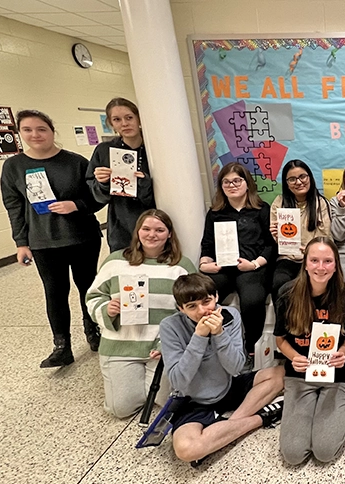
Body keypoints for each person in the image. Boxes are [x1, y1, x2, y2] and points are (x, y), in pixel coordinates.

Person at [0, 109, 104, 368]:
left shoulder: (75, 162)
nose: (35, 134)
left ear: (52, 131)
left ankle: (93, 332)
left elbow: (98, 198)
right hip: (44, 241)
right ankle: (62, 346)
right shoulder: (13, 166)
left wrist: (76, 205)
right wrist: (20, 242)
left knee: (87, 287)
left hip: (82, 237)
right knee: (55, 293)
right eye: (27, 130)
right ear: (20, 133)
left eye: (41, 129)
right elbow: (14, 206)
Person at [159, 273, 285, 465]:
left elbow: (236, 367)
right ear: (181, 309)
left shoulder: (230, 315)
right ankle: (261, 418)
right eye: (192, 307)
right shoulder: (170, 326)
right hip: (194, 399)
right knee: (186, 449)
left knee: (280, 373)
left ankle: (226, 428)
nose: (202, 311)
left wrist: (219, 334)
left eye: (206, 302)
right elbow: (178, 381)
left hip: (228, 385)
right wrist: (199, 337)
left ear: (216, 297)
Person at [86, 209, 196, 418]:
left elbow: (192, 311)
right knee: (121, 409)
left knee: (164, 401)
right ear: (138, 231)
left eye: (159, 230)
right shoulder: (115, 261)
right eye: (146, 229)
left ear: (169, 234)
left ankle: (148, 384)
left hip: (160, 347)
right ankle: (137, 384)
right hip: (121, 346)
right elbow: (93, 297)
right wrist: (107, 309)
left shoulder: (181, 266)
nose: (151, 234)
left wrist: (170, 344)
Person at [275, 238, 345, 465]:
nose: (320, 267)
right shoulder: (287, 294)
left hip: (338, 376)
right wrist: (294, 357)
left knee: (324, 451)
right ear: (305, 263)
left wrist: (342, 351)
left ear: (336, 264)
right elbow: (280, 340)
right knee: (292, 455)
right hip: (300, 374)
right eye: (314, 260)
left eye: (327, 261)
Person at [199, 162, 276, 368]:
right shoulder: (215, 213)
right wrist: (205, 263)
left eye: (237, 180)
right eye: (226, 182)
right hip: (222, 268)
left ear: (247, 183)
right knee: (203, 294)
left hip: (252, 267)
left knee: (251, 300)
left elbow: (271, 245)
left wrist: (254, 264)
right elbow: (207, 244)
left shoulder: (261, 209)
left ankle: (250, 349)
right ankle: (205, 344)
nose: (232, 185)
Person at [87, 98, 156, 252]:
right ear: (111, 124)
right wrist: (102, 183)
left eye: (129, 117)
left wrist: (145, 183)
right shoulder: (104, 151)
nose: (124, 123)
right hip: (121, 224)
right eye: (117, 119)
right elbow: (96, 194)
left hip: (154, 219)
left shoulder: (155, 148)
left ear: (139, 118)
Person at [270, 159, 331, 301]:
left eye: (302, 177)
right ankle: (283, 323)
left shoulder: (321, 204)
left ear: (309, 177)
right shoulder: (279, 203)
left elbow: (326, 237)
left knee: (315, 285)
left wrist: (310, 251)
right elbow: (278, 240)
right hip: (288, 258)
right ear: (286, 183)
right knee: (279, 283)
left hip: (314, 259)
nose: (298, 182)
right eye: (292, 179)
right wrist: (276, 236)